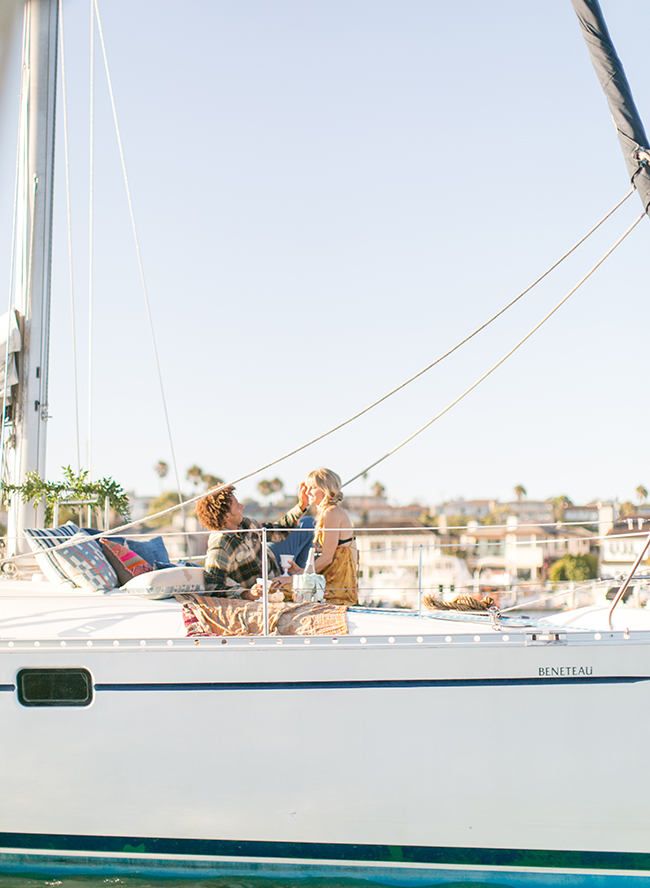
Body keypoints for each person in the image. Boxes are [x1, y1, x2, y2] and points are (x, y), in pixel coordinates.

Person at [196, 484, 314, 599]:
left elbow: (277, 531)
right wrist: (247, 594)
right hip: (268, 582)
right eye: (237, 505)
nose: (242, 507)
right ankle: (299, 583)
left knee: (308, 523)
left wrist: (301, 506)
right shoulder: (221, 546)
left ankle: (299, 577)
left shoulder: (245, 524)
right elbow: (213, 587)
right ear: (226, 516)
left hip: (273, 559)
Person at [288, 467, 358, 606]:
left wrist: (301, 575)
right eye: (307, 488)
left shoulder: (331, 513)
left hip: (335, 586)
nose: (308, 492)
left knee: (277, 590)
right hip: (331, 581)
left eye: (312, 488)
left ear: (326, 489)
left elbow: (327, 558)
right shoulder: (329, 512)